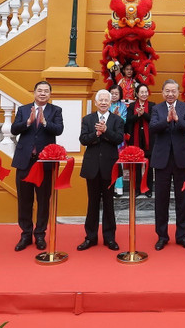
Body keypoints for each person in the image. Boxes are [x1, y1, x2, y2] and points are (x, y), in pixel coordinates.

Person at [11, 81, 64, 251]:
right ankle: (25, 234)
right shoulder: (23, 109)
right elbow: (14, 129)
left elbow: (59, 130)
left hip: (44, 162)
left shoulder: (55, 110)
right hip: (25, 161)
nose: (42, 93)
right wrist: (28, 122)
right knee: (24, 200)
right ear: (34, 93)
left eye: (46, 91)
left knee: (43, 200)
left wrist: (45, 122)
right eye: (39, 90)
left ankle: (40, 234)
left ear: (50, 94)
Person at [149, 79, 185, 250]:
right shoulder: (157, 108)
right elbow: (153, 127)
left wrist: (177, 120)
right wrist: (167, 121)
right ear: (162, 92)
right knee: (161, 200)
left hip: (181, 159)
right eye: (167, 91)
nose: (170, 94)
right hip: (162, 160)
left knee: (183, 200)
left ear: (178, 92)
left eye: (173, 91)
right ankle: (162, 236)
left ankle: (182, 236)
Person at [77, 89, 124, 251]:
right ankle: (90, 237)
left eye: (106, 100)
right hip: (92, 167)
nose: (103, 102)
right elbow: (83, 140)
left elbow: (119, 138)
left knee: (109, 203)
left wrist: (106, 132)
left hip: (109, 167)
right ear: (96, 103)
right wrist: (96, 134)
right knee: (92, 203)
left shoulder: (117, 120)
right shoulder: (88, 119)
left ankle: (109, 238)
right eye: (101, 100)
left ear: (110, 103)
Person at [125, 83, 153, 196]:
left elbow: (153, 120)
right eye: (142, 92)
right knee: (136, 165)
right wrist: (137, 115)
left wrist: (144, 114)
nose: (144, 94)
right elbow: (128, 120)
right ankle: (137, 188)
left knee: (149, 165)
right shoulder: (132, 106)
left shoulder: (152, 105)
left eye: (146, 92)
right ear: (137, 94)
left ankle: (148, 189)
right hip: (135, 138)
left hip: (149, 139)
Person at [108, 84, 127, 197]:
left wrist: (118, 116)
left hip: (119, 138)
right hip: (107, 137)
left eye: (116, 93)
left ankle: (119, 188)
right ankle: (109, 187)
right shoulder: (106, 104)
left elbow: (124, 121)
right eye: (112, 93)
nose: (114, 95)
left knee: (119, 163)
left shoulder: (123, 106)